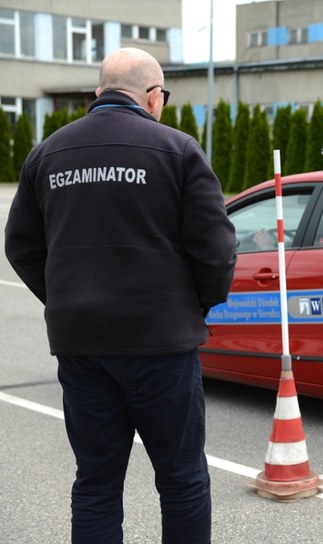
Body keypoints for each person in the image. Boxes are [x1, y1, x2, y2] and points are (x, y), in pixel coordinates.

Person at [4, 48, 236, 544]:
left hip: (81, 345)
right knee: (181, 479)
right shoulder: (178, 150)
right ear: (153, 97)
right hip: (161, 345)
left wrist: (65, 298)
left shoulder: (48, 153)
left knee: (96, 482)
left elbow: (20, 245)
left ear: (98, 94)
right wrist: (195, 306)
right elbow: (216, 250)